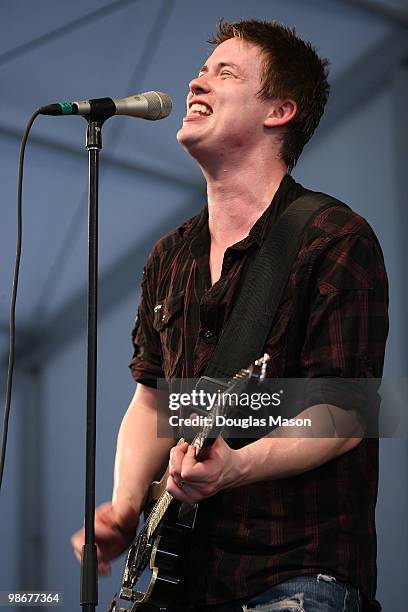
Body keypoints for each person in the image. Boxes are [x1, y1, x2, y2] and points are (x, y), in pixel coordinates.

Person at [71, 19, 388, 612]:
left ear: (279, 111)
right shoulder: (170, 255)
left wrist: (235, 467)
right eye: (201, 69)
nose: (198, 81)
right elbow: (153, 402)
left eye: (225, 72)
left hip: (294, 574)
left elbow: (348, 409)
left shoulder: (332, 237)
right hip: (182, 580)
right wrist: (123, 506)